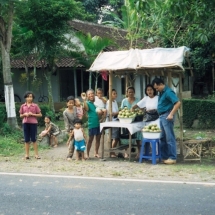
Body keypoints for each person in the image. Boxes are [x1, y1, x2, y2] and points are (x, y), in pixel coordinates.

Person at [152, 77, 181, 165]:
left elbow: (178, 103)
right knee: (162, 138)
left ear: (161, 84)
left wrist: (171, 114)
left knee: (169, 137)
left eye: (157, 88)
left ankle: (172, 157)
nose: (156, 90)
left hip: (167, 115)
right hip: (161, 116)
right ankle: (164, 157)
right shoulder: (161, 92)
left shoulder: (168, 92)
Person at [19, 91, 42, 160]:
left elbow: (40, 115)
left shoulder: (35, 106)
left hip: (33, 123)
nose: (29, 98)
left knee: (34, 139)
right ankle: (27, 155)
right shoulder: (23, 106)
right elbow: (20, 115)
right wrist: (24, 115)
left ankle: (36, 154)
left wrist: (33, 114)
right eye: (28, 97)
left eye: (31, 97)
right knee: (26, 140)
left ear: (33, 98)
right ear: (25, 98)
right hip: (25, 123)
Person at [121, 86, 142, 158]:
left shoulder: (138, 100)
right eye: (129, 92)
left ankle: (139, 152)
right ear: (127, 93)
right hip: (126, 121)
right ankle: (126, 152)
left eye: (132, 92)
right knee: (126, 137)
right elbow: (122, 110)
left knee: (138, 137)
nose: (131, 93)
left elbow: (141, 109)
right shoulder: (124, 101)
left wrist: (139, 111)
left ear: (134, 93)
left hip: (137, 120)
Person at [81, 89, 101, 159]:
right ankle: (87, 154)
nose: (91, 95)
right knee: (90, 140)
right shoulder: (87, 103)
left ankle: (96, 153)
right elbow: (86, 108)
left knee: (98, 139)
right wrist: (84, 100)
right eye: (89, 94)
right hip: (91, 124)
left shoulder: (96, 103)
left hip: (98, 124)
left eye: (92, 93)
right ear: (87, 96)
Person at [63, 96, 78, 160]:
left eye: (72, 103)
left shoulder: (75, 108)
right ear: (67, 103)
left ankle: (79, 155)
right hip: (72, 129)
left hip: (78, 127)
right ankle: (69, 156)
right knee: (72, 142)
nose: (71, 104)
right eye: (70, 103)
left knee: (80, 141)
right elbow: (66, 122)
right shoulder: (65, 112)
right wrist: (68, 131)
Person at [106, 89, 119, 158]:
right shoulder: (109, 102)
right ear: (110, 94)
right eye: (114, 93)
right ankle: (111, 152)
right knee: (115, 137)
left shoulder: (115, 101)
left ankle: (112, 151)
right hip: (112, 121)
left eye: (116, 93)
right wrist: (118, 113)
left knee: (116, 137)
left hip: (116, 120)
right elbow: (110, 113)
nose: (115, 95)